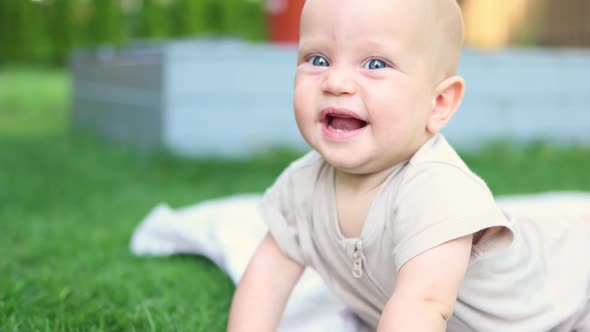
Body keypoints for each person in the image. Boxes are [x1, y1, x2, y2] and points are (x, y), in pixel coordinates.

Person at [227, 0, 590, 331]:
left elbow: (423, 305)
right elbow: (266, 279)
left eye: (375, 64)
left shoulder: (437, 190)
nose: (335, 82)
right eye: (318, 59)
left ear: (439, 104)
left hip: (566, 299)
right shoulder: (301, 185)